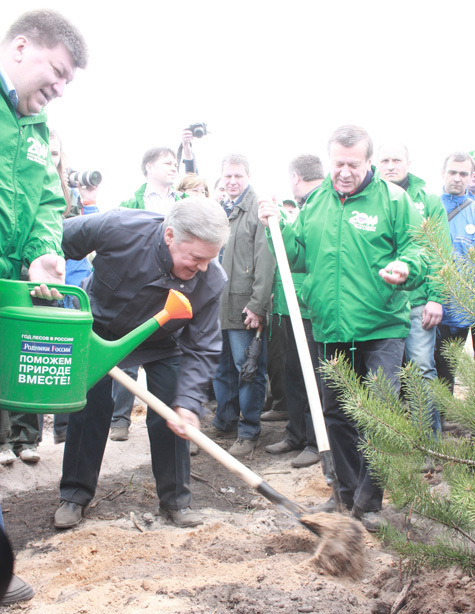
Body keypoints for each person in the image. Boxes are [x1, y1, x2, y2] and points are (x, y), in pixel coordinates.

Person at [259, 125, 426, 532]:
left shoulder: (394, 200)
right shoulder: (316, 201)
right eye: (338, 163)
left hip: (381, 326)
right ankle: (346, 493)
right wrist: (275, 225)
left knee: (379, 413)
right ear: (330, 160)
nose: (345, 171)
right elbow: (296, 256)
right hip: (330, 326)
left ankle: (371, 501)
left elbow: (419, 248)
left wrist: (407, 267)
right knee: (335, 413)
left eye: (354, 164)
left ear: (368, 162)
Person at [50, 197, 229, 530]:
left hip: (163, 344)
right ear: (170, 235)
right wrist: (44, 270)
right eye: (196, 258)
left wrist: (189, 404)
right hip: (100, 332)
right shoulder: (118, 227)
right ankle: (74, 495)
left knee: (174, 414)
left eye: (211, 258)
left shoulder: (210, 279)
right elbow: (51, 238)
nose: (203, 268)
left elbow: (202, 347)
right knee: (90, 411)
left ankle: (176, 502)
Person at [0, 8, 87, 603]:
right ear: (21, 47)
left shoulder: (39, 133)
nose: (59, 88)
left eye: (68, 82)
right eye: (56, 72)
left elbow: (48, 207)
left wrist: (42, 258)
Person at [377, 142, 449, 434]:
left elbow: (439, 252)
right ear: (376, 163)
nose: (391, 165)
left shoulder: (428, 200)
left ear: (408, 163)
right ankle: (390, 445)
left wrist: (436, 298)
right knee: (381, 377)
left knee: (420, 369)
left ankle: (430, 444)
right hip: (380, 303)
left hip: (418, 302)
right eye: (385, 160)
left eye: (397, 159)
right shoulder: (368, 199)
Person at [210, 154, 275, 458]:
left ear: (248, 176)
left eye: (238, 176)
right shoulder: (221, 209)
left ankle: (249, 430)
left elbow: (266, 260)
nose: (232, 181)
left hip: (244, 307)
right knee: (221, 367)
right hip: (218, 306)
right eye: (228, 176)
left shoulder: (256, 209)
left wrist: (258, 304)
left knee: (247, 368)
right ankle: (224, 420)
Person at [264, 154, 324, 468]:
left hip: (311, 308)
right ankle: (295, 433)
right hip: (290, 306)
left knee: (314, 375)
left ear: (296, 178)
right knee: (293, 373)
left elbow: (304, 256)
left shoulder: (321, 207)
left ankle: (316, 441)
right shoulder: (303, 209)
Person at [436, 152, 475, 393]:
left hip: (462, 306)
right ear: (443, 174)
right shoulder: (430, 206)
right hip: (430, 302)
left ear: (471, 177)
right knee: (425, 365)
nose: (457, 178)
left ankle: (447, 415)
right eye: (452, 172)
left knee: (448, 365)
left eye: (463, 173)